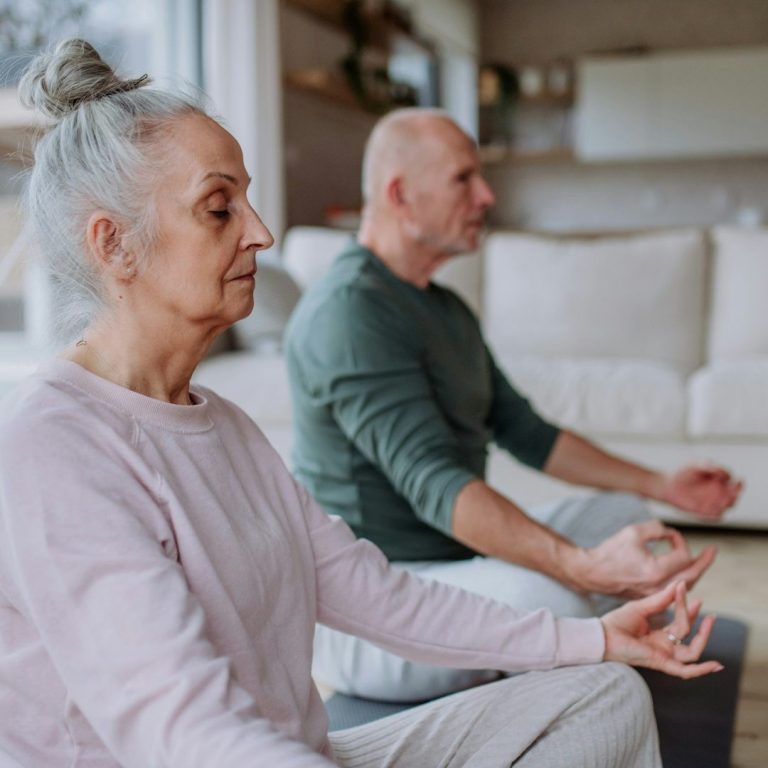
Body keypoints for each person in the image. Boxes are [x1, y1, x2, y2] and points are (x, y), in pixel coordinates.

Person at [0, 38, 725, 768]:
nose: (262, 231)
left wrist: (599, 637)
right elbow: (189, 736)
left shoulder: (225, 426)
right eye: (220, 208)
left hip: (292, 751)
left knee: (603, 693)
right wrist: (578, 574)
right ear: (114, 245)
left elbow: (381, 595)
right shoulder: (54, 446)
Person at [284, 107, 743, 702]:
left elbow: (526, 432)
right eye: (463, 178)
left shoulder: (445, 309)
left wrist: (663, 485)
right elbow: (436, 483)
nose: (486, 194)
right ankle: (571, 641)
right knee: (557, 600)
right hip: (380, 607)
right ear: (401, 194)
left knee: (629, 520)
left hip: (455, 562)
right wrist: (579, 567)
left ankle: (570, 636)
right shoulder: (349, 314)